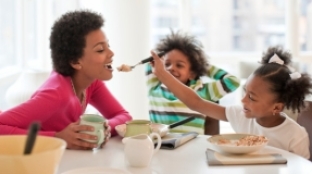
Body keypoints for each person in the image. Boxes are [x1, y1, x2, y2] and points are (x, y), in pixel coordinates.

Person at [0, 10, 132, 150]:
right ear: (75, 61)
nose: (111, 54)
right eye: (100, 50)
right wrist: (57, 137)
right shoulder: (56, 95)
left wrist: (105, 128)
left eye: (108, 46)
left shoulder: (91, 82)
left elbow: (124, 117)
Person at [150, 46, 312, 159]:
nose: (243, 100)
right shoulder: (240, 115)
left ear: (276, 107)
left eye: (252, 97)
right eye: (245, 92)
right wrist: (163, 75)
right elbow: (196, 103)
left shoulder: (296, 136)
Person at [146, 31, 240, 135]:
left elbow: (233, 81)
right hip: (162, 147)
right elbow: (151, 63)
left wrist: (202, 66)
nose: (171, 68)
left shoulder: (203, 91)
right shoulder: (154, 87)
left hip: (192, 148)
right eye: (167, 64)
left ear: (192, 73)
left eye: (179, 65)